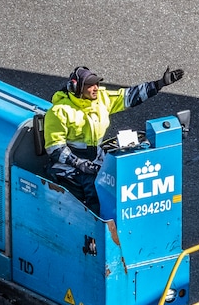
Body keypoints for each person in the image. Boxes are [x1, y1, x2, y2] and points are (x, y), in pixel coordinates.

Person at [44, 65, 184, 216]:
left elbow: (130, 96)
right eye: (90, 85)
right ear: (76, 87)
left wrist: (158, 84)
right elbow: (54, 147)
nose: (96, 88)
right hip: (69, 164)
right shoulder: (59, 111)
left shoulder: (101, 99)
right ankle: (96, 231)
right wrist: (79, 163)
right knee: (94, 191)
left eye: (97, 84)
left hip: (96, 158)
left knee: (123, 177)